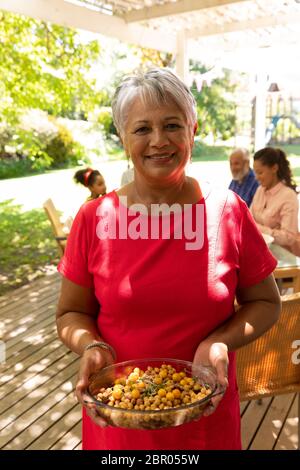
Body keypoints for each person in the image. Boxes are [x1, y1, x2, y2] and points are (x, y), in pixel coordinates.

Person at [56, 68, 281, 450]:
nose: (159, 141)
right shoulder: (94, 219)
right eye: (142, 129)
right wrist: (92, 346)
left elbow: (266, 302)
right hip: (118, 422)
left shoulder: (227, 210)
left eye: (172, 125)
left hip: (205, 424)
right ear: (125, 139)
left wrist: (220, 343)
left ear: (192, 131)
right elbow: (69, 313)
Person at [250, 147, 299, 250]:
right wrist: (273, 231)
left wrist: (258, 228)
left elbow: (289, 238)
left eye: (260, 172)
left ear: (274, 168)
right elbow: (249, 219)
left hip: (283, 255)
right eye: (255, 173)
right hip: (262, 249)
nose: (256, 177)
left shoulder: (288, 196)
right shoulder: (260, 190)